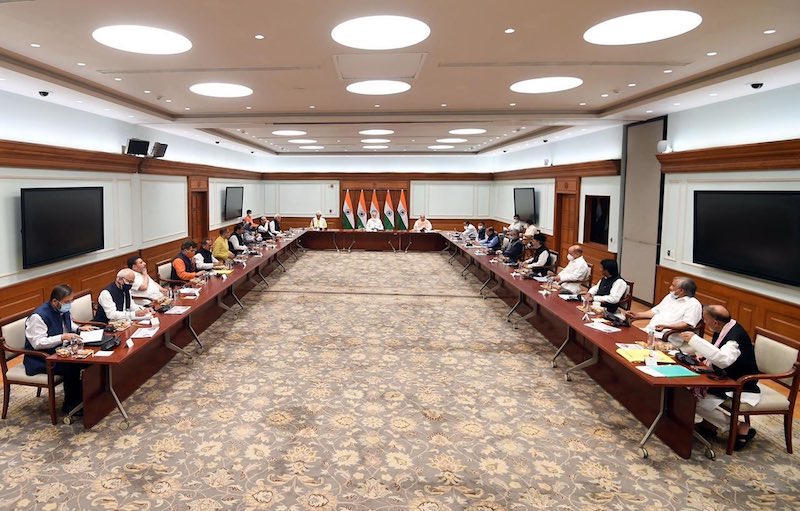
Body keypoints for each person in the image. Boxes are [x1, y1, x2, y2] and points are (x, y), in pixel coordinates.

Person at [677, 305, 759, 450]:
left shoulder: (734, 338)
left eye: (705, 319)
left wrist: (694, 340)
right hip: (724, 375)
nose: (704, 322)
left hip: (740, 382)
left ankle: (736, 426)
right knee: (686, 389)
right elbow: (716, 350)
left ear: (715, 322)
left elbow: (723, 360)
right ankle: (709, 424)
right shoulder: (723, 328)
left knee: (693, 398)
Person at [24, 284, 94, 415]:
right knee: (73, 366)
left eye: (71, 301)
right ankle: (71, 406)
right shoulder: (38, 317)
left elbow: (68, 324)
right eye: (67, 302)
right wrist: (62, 337)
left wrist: (79, 328)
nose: (69, 304)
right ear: (55, 301)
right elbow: (38, 343)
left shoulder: (62, 309)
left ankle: (87, 397)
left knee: (90, 359)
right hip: (40, 359)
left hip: (61, 351)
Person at [626, 276, 702, 340]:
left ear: (681, 291)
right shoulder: (670, 297)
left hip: (667, 337)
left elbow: (686, 324)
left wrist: (667, 326)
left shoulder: (693, 304)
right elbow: (655, 311)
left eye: (673, 286)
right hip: (650, 331)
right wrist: (637, 315)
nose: (670, 287)